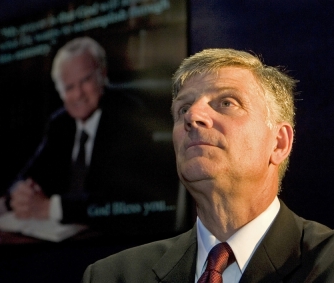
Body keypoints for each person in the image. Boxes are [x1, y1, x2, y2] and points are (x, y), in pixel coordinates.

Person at [81, 48, 334, 282]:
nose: (193, 116)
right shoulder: (112, 276)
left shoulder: (326, 263)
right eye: (183, 109)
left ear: (278, 144)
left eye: (226, 103)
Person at [7, 37, 178, 235]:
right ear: (60, 92)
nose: (78, 94)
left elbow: (121, 199)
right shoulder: (60, 123)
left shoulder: (129, 114)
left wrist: (50, 207)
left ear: (102, 75)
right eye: (69, 87)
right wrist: (19, 194)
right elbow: (28, 176)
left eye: (86, 80)